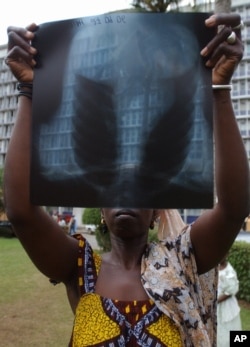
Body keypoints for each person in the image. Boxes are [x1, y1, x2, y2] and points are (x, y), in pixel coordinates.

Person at [3, 12, 250, 347]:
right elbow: (20, 212)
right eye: (115, 186)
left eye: (140, 187)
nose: (126, 195)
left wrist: (219, 89)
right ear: (100, 209)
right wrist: (29, 89)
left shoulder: (182, 260)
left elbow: (234, 209)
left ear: (156, 213)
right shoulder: (80, 269)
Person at [217, 253, 242, 347]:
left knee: (229, 327)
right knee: (219, 330)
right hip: (217, 305)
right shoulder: (216, 268)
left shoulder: (229, 271)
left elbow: (231, 291)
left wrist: (216, 301)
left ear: (227, 254)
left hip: (225, 305)